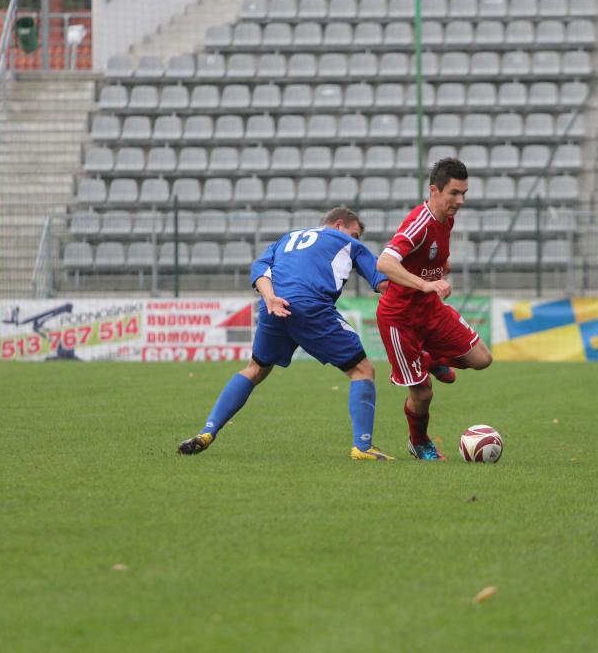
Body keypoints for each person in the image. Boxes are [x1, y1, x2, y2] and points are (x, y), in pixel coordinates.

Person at [178, 207, 394, 461]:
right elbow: (384, 283)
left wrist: (270, 298)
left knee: (255, 369)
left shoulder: (287, 238)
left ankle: (207, 431)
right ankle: (362, 446)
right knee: (362, 370)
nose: (355, 239)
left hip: (273, 305)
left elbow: (259, 268)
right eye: (354, 233)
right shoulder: (347, 242)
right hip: (310, 305)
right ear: (338, 225)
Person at [375, 158, 493, 460]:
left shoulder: (447, 219)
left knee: (482, 359)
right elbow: (384, 263)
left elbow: (430, 254)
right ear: (434, 190)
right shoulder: (420, 222)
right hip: (399, 319)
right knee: (423, 392)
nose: (460, 201)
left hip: (430, 311)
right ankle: (419, 442)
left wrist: (441, 266)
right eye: (454, 193)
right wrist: (425, 284)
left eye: (464, 193)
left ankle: (429, 359)